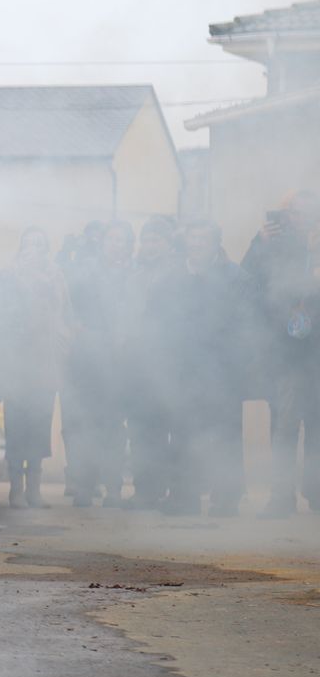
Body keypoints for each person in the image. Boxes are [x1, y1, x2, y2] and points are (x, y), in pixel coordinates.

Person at [161, 220, 255, 517]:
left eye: (203, 239)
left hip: (223, 371)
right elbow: (161, 320)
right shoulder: (174, 276)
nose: (197, 244)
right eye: (193, 238)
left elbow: (245, 325)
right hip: (184, 368)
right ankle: (183, 496)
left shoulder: (236, 277)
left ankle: (227, 498)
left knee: (225, 434)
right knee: (183, 432)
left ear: (216, 243)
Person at [241, 190, 320, 518]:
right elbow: (247, 280)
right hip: (288, 351)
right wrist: (259, 242)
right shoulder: (274, 245)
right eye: (294, 214)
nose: (299, 220)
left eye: (307, 213)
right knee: (285, 426)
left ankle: (316, 494)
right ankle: (281, 497)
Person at [0, 227, 70, 510]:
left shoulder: (56, 277)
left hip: (44, 362)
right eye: (29, 244)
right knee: (17, 426)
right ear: (21, 248)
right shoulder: (9, 277)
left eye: (40, 245)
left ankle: (34, 489)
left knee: (40, 424)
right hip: (17, 362)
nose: (34, 250)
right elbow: (2, 316)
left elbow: (64, 314)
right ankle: (16, 488)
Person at [63, 220, 134, 507]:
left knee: (113, 427)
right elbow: (69, 310)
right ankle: (84, 485)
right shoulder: (84, 273)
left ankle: (113, 487)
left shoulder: (134, 274)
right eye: (111, 239)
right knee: (83, 425)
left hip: (120, 363)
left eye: (122, 240)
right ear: (102, 243)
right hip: (86, 360)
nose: (116, 245)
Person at [123, 216, 182, 509]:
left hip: (169, 363)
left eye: (157, 239)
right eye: (146, 239)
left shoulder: (180, 274)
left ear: (169, 244)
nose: (150, 245)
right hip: (137, 364)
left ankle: (173, 489)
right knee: (141, 430)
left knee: (169, 429)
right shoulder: (134, 275)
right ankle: (145, 489)